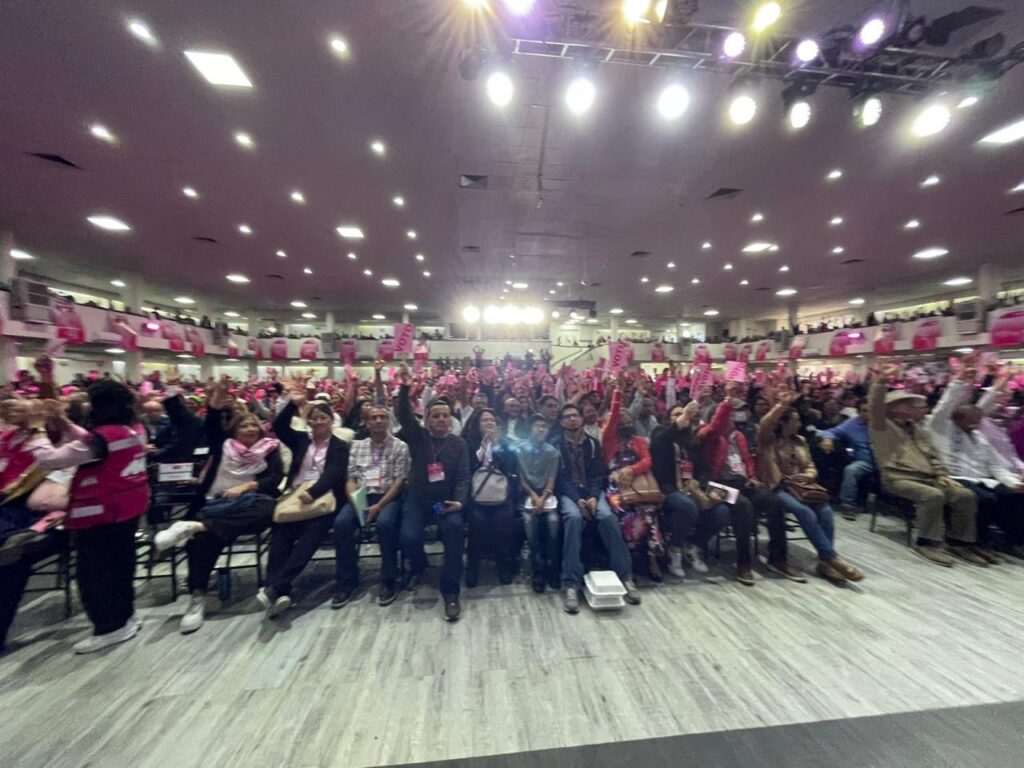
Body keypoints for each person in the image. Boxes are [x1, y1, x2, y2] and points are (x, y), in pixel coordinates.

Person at [154, 382, 284, 634]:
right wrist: (213, 404)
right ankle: (197, 597)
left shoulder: (268, 449)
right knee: (203, 540)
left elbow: (274, 478)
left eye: (253, 425)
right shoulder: (222, 445)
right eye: (243, 426)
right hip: (215, 504)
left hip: (250, 504)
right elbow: (211, 425)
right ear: (234, 430)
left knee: (269, 509)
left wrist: (246, 486)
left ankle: (193, 526)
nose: (249, 429)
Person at [31, 382, 150, 653]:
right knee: (121, 568)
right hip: (127, 510)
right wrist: (64, 423)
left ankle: (109, 627)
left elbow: (52, 459)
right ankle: (125, 617)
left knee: (95, 574)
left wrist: (37, 429)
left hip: (101, 514)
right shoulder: (133, 429)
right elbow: (94, 443)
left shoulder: (104, 437)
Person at [869, 366, 983, 567]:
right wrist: (880, 382)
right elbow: (875, 405)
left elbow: (933, 456)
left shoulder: (919, 430)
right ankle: (926, 542)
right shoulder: (882, 427)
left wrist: (942, 474)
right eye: (911, 404)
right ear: (895, 407)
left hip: (929, 477)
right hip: (898, 478)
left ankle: (959, 542)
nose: (919, 407)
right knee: (932, 495)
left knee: (965, 495)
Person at [259, 381, 350, 618]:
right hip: (296, 496)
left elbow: (335, 473)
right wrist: (293, 404)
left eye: (323, 417)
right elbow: (279, 426)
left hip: (324, 500)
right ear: (309, 421)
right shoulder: (301, 440)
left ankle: (276, 587)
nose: (318, 421)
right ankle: (278, 590)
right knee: (281, 534)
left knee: (310, 538)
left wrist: (315, 491)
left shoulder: (340, 446)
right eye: (314, 418)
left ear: (331, 421)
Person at [757, 392, 864, 584]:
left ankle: (825, 562)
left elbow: (810, 465)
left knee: (826, 511)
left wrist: (808, 475)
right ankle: (831, 558)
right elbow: (766, 423)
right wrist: (781, 405)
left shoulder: (800, 441)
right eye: (795, 421)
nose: (799, 424)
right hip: (779, 487)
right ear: (783, 423)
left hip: (802, 487)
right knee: (804, 512)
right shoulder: (768, 440)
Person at [395, 363, 470, 622]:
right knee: (408, 537)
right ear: (427, 419)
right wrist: (404, 386)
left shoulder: (458, 443)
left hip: (443, 504)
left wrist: (459, 502)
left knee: (454, 530)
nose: (440, 419)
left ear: (451, 419)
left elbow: (463, 477)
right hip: (418, 502)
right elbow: (404, 415)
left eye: (444, 416)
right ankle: (420, 567)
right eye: (435, 416)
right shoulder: (417, 437)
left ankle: (450, 590)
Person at [552, 402, 640, 613]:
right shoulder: (556, 445)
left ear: (582, 419)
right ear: (561, 422)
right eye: (567, 416)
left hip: (591, 492)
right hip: (569, 494)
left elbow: (598, 475)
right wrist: (578, 499)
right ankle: (571, 583)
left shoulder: (592, 443)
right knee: (573, 518)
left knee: (608, 518)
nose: (572, 419)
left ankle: (625, 576)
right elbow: (560, 478)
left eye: (575, 415)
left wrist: (592, 496)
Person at [698, 383, 789, 586]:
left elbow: (747, 460)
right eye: (729, 415)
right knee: (744, 506)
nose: (733, 419)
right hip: (716, 485)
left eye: (732, 415)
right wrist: (726, 402)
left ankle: (777, 558)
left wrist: (752, 475)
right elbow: (714, 427)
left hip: (741, 482)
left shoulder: (738, 436)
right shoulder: (707, 435)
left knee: (774, 502)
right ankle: (743, 562)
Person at [925, 371, 1020, 560]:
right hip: (954, 478)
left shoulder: (979, 436)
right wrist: (960, 379)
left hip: (982, 479)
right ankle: (974, 542)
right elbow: (945, 406)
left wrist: (1013, 483)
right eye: (971, 422)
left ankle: (1013, 540)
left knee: (1013, 495)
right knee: (985, 499)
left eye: (977, 422)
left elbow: (995, 465)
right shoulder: (940, 429)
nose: (975, 426)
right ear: (957, 419)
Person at [333, 404, 409, 608]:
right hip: (361, 497)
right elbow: (351, 479)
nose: (378, 421)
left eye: (383, 417)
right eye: (373, 418)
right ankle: (348, 580)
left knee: (385, 524)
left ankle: (389, 578)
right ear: (366, 423)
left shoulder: (400, 446)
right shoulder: (357, 446)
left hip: (388, 497)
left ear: (389, 421)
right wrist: (356, 503)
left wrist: (380, 505)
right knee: (341, 524)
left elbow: (399, 481)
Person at [650, 401, 726, 580]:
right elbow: (662, 441)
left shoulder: (692, 440)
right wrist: (682, 418)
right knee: (687, 506)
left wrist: (705, 487)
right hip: (668, 487)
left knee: (722, 510)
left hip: (693, 486)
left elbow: (703, 467)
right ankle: (674, 549)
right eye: (676, 414)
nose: (682, 417)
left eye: (684, 414)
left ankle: (693, 546)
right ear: (668, 419)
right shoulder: (660, 433)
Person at [603, 387, 664, 579]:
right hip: (615, 486)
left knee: (649, 511)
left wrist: (631, 470)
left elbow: (647, 461)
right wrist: (617, 393)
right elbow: (613, 415)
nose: (627, 425)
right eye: (623, 423)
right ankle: (628, 559)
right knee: (623, 512)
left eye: (629, 422)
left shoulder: (638, 441)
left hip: (639, 483)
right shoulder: (609, 440)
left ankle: (652, 557)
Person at [462, 407, 520, 586]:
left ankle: (504, 565)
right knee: (476, 522)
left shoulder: (505, 444)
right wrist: (483, 447)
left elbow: (510, 469)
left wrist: (496, 447)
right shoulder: (468, 444)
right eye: (484, 420)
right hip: (476, 496)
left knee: (504, 521)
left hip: (501, 494)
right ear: (477, 424)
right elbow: (469, 468)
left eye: (492, 420)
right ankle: (473, 567)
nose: (489, 423)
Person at [518, 414, 561, 593]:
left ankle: (552, 566)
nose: (541, 429)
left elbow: (551, 479)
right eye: (537, 426)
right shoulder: (520, 450)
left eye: (544, 426)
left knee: (553, 522)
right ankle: (537, 569)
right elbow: (521, 480)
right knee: (529, 523)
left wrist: (542, 498)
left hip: (547, 496)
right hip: (527, 495)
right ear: (530, 428)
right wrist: (533, 496)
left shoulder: (553, 452)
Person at [819, 400, 876, 520]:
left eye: (871, 410)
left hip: (886, 461)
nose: (868, 413)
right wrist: (828, 439)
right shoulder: (852, 424)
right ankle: (848, 505)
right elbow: (831, 432)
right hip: (865, 461)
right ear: (859, 412)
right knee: (851, 470)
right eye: (864, 411)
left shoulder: (883, 424)